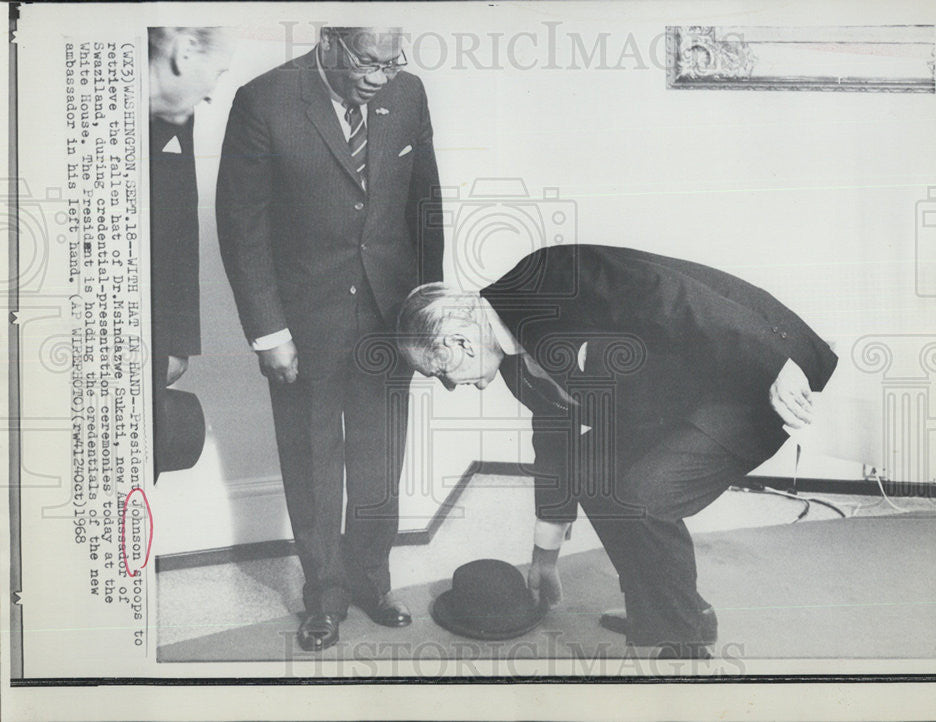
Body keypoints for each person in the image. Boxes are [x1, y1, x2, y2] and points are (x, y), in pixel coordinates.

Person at [397, 244, 838, 658]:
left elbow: (672, 296)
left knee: (645, 494)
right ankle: (671, 609)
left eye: (439, 373)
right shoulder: (514, 367)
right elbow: (555, 441)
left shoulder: (545, 276)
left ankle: (684, 651)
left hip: (750, 373)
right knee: (589, 469)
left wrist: (773, 361)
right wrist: (545, 556)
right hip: (682, 398)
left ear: (459, 342)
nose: (451, 386)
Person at [216, 26, 443, 651]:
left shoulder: (411, 95)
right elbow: (241, 225)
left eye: (394, 61)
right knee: (313, 460)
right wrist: (268, 331)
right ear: (330, 44)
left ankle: (372, 581)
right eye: (368, 62)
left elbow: (426, 205)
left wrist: (430, 313)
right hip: (302, 321)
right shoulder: (265, 100)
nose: (381, 76)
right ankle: (325, 596)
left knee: (378, 458)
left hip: (388, 316)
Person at [148, 27, 235, 478]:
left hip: (151, 337)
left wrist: (177, 342)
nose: (210, 95)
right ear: (185, 50)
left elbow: (180, 228)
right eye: (216, 74)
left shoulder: (174, 117)